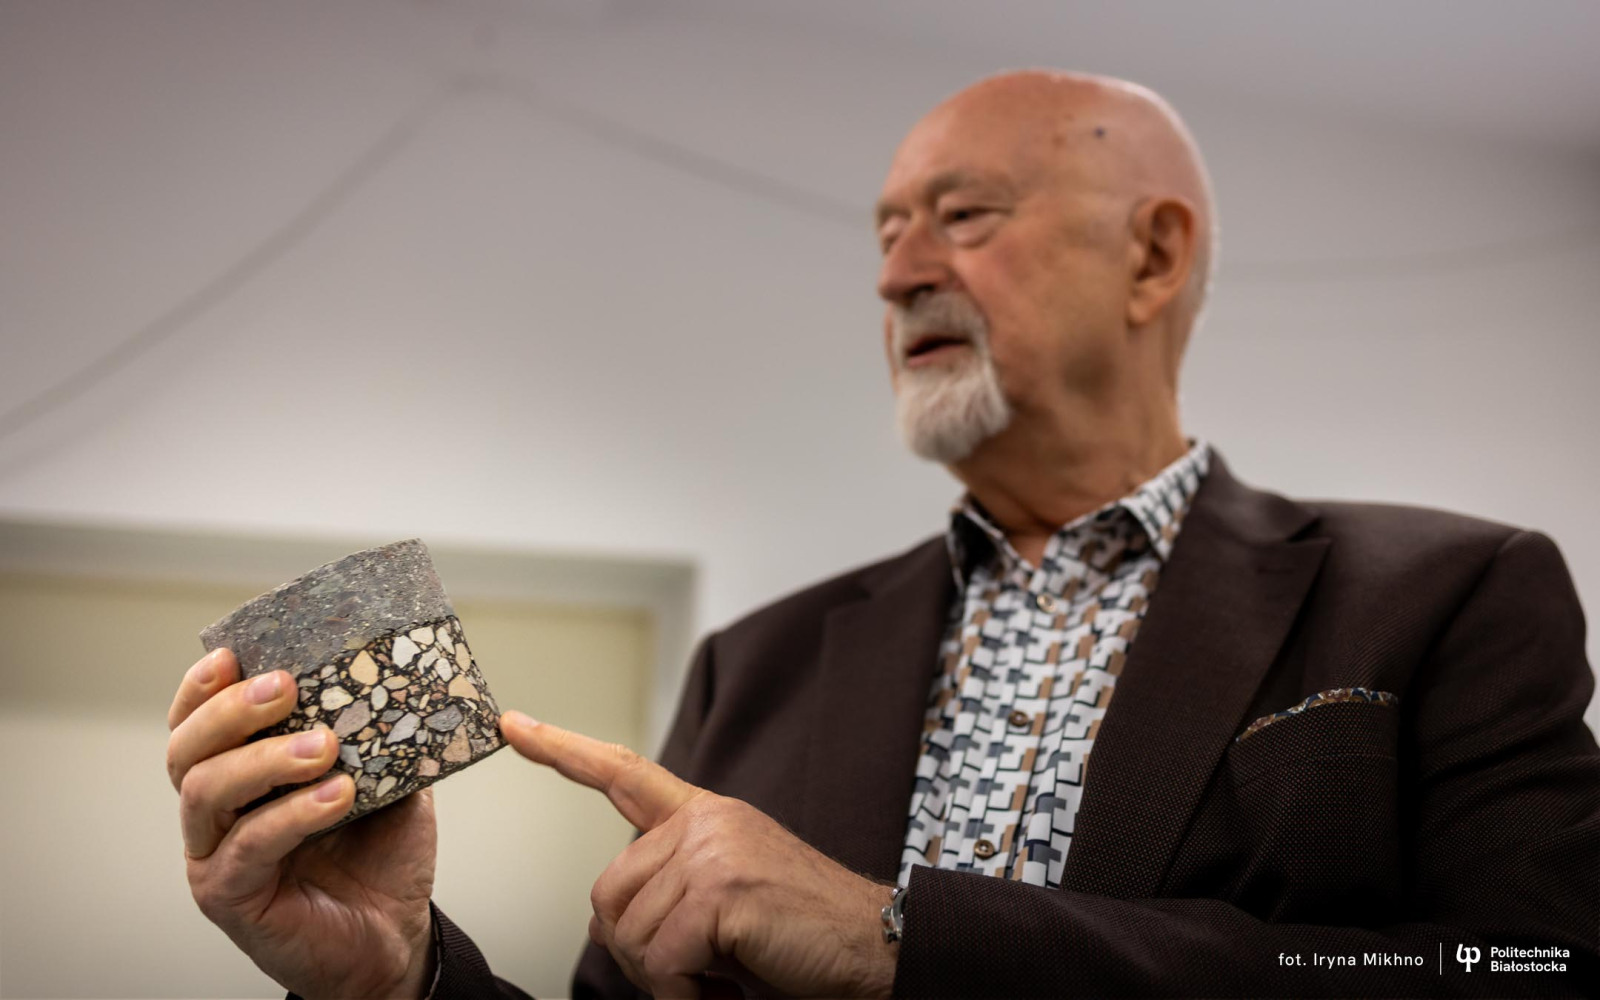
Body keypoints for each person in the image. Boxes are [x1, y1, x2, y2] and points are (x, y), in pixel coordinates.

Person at [165, 70, 1600, 998]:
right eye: (885, 233)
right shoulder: (758, 664)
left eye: (963, 216)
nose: (899, 273)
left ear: (1153, 255)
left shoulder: (1449, 594)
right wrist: (399, 976)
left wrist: (900, 937)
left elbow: (1533, 964)